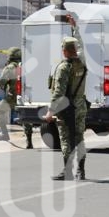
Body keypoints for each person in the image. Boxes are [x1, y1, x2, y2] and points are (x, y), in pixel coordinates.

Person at [43, 15, 87, 181]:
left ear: (64, 51)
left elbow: (58, 93)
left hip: (67, 110)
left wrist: (50, 112)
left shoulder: (63, 68)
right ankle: (81, 171)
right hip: (80, 106)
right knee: (79, 138)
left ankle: (67, 171)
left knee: (66, 139)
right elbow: (80, 44)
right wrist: (75, 28)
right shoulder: (82, 61)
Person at [0, 46, 34, 149]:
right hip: (26, 96)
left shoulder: (10, 67)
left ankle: (4, 134)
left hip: (12, 97)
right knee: (25, 117)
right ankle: (29, 141)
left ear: (11, 56)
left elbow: (1, 82)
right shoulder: (26, 66)